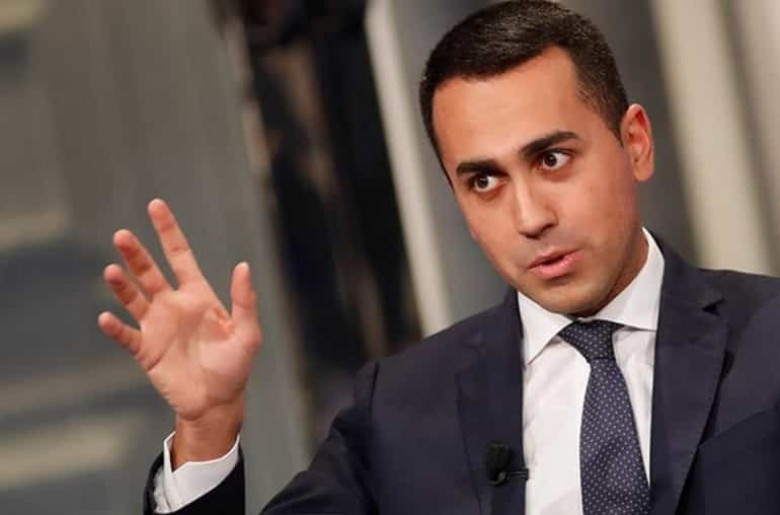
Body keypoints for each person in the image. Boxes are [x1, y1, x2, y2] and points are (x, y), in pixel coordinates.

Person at [99, 1, 780, 514]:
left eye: (552, 159)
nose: (529, 217)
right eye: (484, 181)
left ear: (635, 143)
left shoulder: (768, 334)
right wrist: (207, 426)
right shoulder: (399, 412)